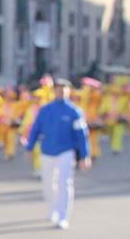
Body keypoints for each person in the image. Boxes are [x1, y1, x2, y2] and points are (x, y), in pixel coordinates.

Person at [23, 79, 91, 230]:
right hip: (47, 151)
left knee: (64, 183)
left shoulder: (74, 111)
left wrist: (84, 155)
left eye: (64, 88)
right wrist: (29, 147)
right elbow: (35, 129)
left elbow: (82, 135)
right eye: (58, 88)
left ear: (69, 91)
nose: (61, 91)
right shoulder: (45, 110)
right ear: (54, 91)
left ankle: (63, 216)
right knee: (48, 183)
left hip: (65, 151)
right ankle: (52, 209)